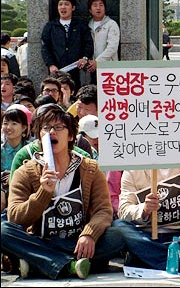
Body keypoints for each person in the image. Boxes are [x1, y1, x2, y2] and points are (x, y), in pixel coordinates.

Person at [1, 105, 124, 280]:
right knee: (3, 231)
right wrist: (42, 193)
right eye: (45, 128)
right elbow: (15, 217)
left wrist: (89, 233)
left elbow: (103, 210)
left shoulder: (89, 169)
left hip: (77, 240)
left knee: (119, 234)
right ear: (38, 137)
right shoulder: (25, 172)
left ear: (71, 135)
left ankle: (39, 263)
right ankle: (70, 265)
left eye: (58, 128)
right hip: (40, 240)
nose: (51, 132)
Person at [114, 165, 180, 273]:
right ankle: (179, 262)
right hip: (144, 235)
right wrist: (144, 209)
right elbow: (123, 210)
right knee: (119, 227)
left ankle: (144, 258)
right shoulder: (132, 170)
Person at [41, 0, 94, 91]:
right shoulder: (50, 26)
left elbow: (88, 43)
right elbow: (45, 47)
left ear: (73, 8)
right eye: (60, 4)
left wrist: (85, 58)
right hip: (57, 70)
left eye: (66, 4)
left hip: (76, 70)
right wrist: (50, 64)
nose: (63, 7)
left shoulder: (80, 25)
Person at [86, 0, 120, 85]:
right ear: (90, 10)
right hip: (91, 69)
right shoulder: (87, 26)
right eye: (95, 5)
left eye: (101, 5)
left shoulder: (111, 24)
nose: (98, 8)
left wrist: (98, 62)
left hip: (108, 67)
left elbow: (112, 48)